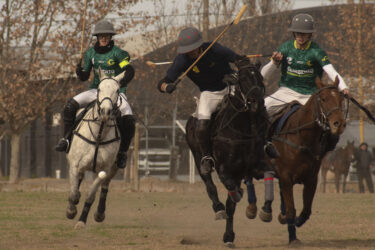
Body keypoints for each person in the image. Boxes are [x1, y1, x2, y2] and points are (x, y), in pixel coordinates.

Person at [157, 26, 278, 175]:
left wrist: (237, 72)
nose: (191, 52)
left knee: (255, 105)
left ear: (199, 45)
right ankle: (207, 157)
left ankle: (265, 142)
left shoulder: (214, 49)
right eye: (187, 49)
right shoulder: (182, 60)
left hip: (231, 87)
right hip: (209, 93)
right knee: (202, 121)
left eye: (193, 48)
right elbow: (162, 83)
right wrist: (167, 87)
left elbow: (239, 60)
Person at [260, 13, 351, 153]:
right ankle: (261, 146)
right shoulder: (285, 48)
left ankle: (323, 149)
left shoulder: (317, 52)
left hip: (309, 95)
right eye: (298, 33)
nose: (301, 36)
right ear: (294, 33)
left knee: (331, 119)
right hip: (286, 92)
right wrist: (274, 62)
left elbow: (330, 71)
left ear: (310, 35)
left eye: (305, 34)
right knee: (260, 109)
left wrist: (343, 86)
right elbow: (263, 75)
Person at [55, 20, 135, 169]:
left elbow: (129, 70)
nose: (104, 38)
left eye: (106, 36)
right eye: (101, 36)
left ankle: (122, 152)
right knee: (70, 106)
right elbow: (85, 76)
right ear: (97, 37)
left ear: (111, 37)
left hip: (116, 92)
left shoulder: (118, 53)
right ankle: (66, 139)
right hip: (96, 90)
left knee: (129, 119)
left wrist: (119, 84)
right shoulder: (90, 53)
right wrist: (80, 72)